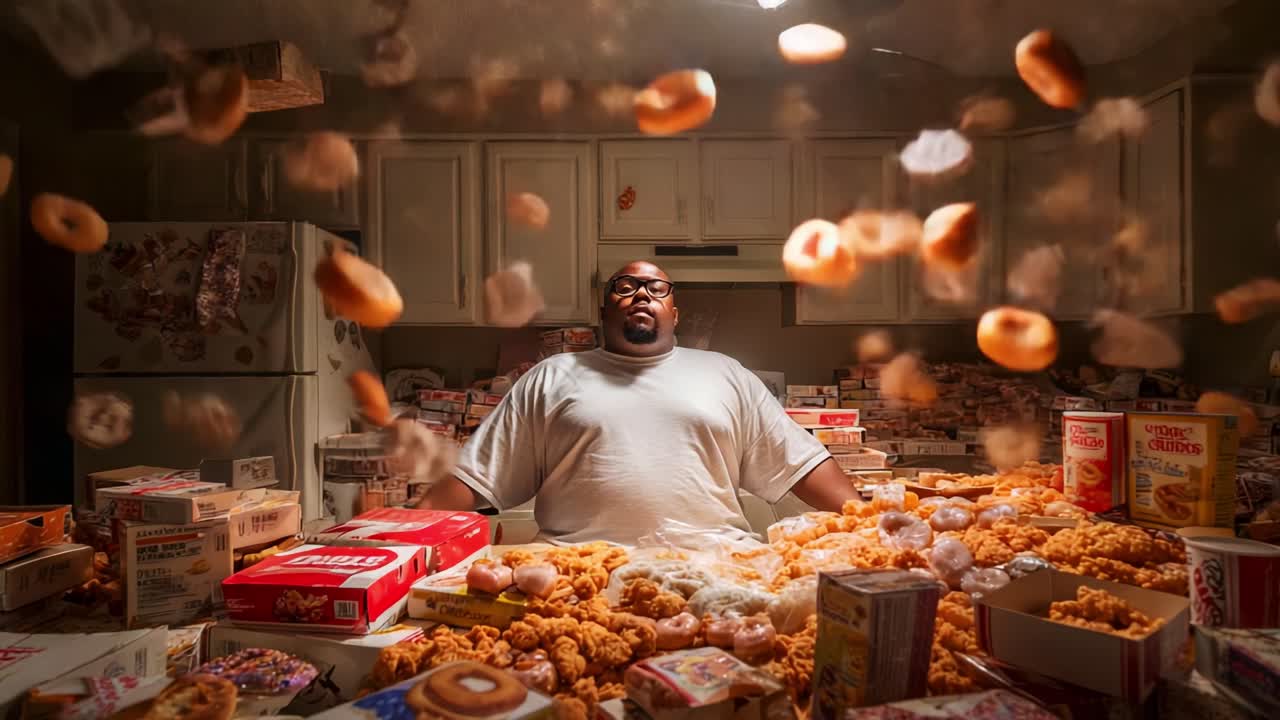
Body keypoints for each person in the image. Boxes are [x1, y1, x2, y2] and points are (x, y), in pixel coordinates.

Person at [416, 260, 858, 544]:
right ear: (605, 312)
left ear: (675, 314)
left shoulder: (725, 372)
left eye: (657, 288)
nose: (642, 293)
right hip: (575, 574)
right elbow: (476, 476)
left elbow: (801, 463)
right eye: (625, 287)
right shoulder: (552, 376)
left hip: (713, 570)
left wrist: (872, 520)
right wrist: (395, 531)